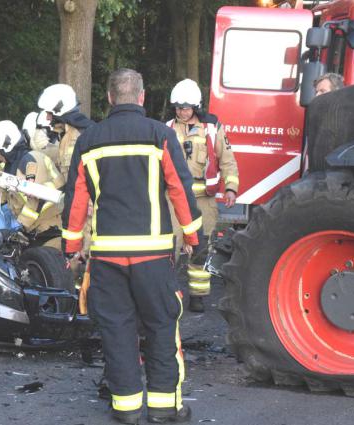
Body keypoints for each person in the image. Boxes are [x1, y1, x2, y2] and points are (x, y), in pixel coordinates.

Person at [62, 68, 200, 424]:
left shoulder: (89, 140)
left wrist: (72, 246)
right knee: (160, 328)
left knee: (117, 330)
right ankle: (164, 408)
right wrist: (192, 236)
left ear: (109, 98)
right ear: (141, 97)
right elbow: (180, 189)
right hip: (153, 256)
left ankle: (126, 410)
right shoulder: (160, 135)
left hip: (107, 257)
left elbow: (76, 200)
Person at [166, 79, 239, 313]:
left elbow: (227, 159)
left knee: (200, 249)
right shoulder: (167, 128)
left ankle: (197, 296)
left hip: (203, 202)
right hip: (173, 201)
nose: (181, 112)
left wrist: (230, 187)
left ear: (195, 107)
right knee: (169, 247)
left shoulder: (212, 129)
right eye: (178, 107)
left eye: (185, 108)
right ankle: (166, 293)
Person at [0, 120, 65, 248]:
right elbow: (1, 194)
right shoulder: (11, 166)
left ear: (7, 147)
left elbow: (36, 199)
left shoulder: (31, 162)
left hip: (53, 227)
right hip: (36, 228)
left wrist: (20, 225)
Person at [36, 83, 95, 177]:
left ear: (59, 109)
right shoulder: (67, 134)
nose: (47, 118)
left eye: (49, 113)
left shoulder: (79, 135)